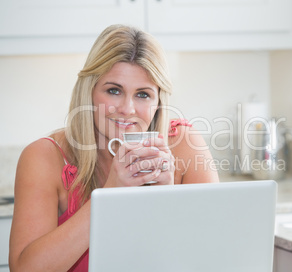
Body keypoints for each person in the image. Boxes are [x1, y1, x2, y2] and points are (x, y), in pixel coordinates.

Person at [9, 24, 219, 272]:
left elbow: (215, 255)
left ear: (158, 101)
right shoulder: (44, 158)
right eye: (114, 90)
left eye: (143, 95)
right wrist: (108, 195)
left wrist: (166, 202)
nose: (127, 109)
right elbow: (25, 269)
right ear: (89, 92)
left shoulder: (183, 144)